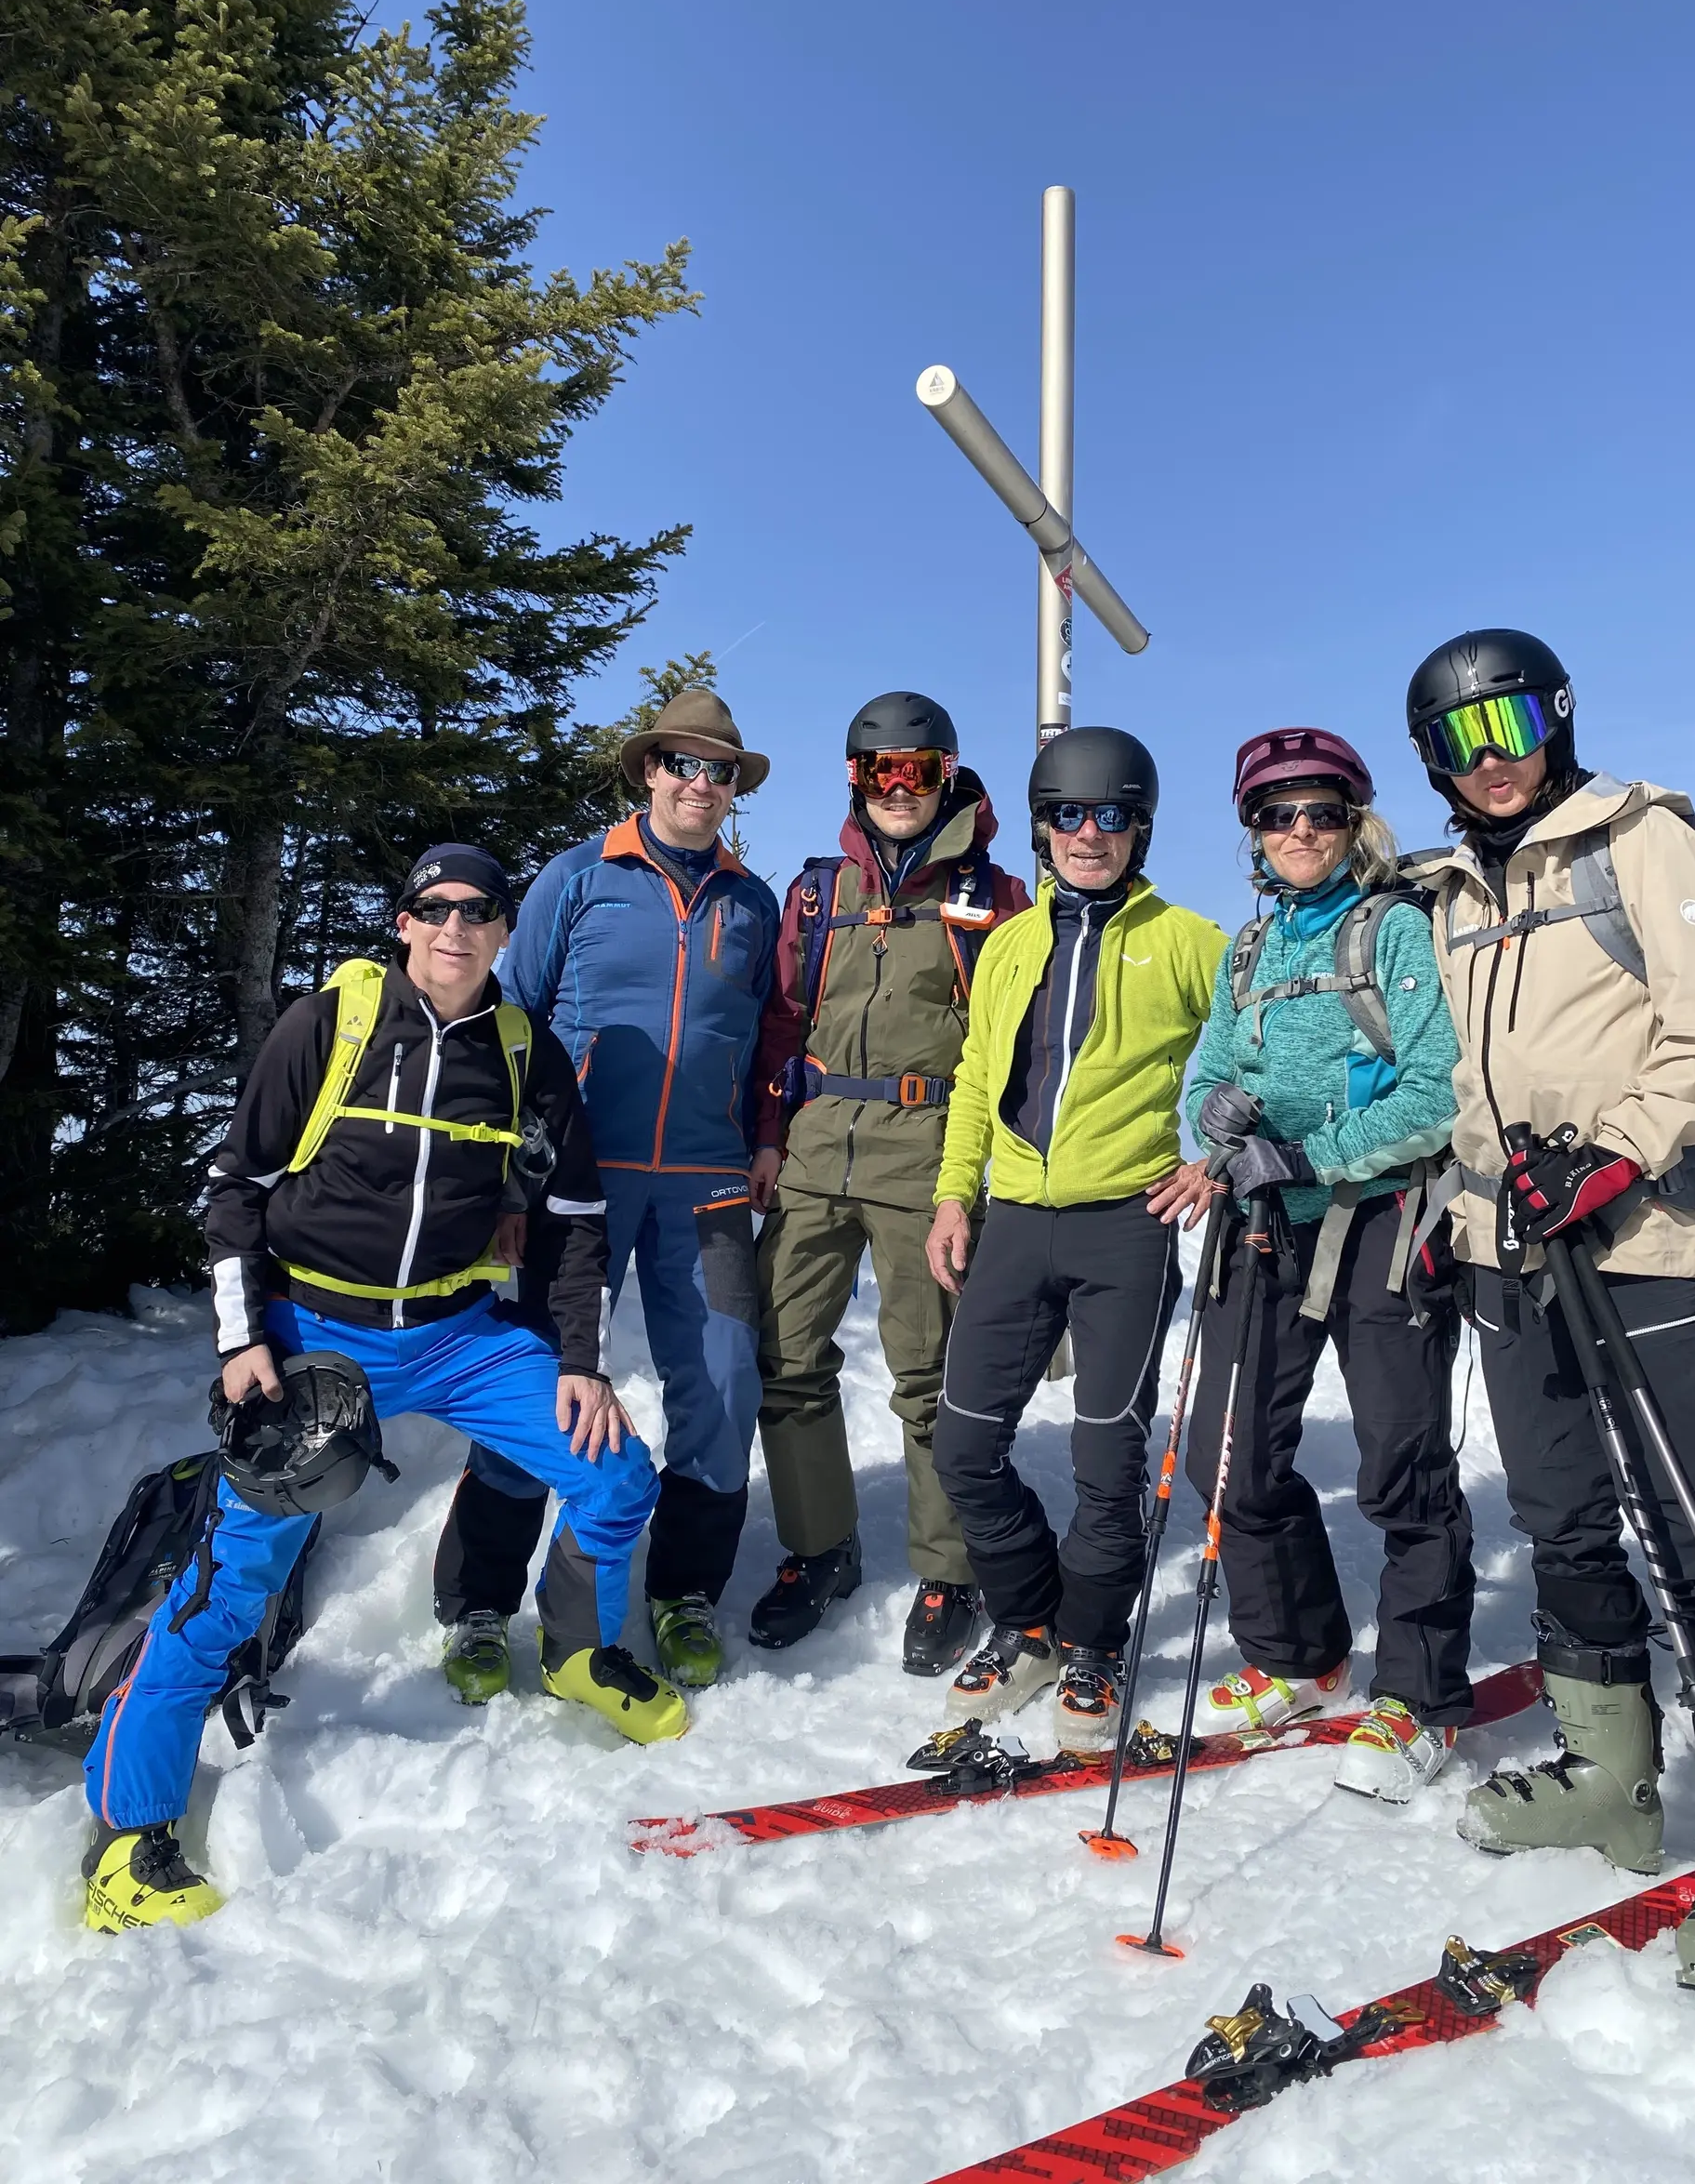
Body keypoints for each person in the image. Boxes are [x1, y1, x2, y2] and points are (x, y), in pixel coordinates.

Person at [82, 845, 676, 1934]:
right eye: (434, 909)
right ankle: (128, 1833)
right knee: (230, 1579)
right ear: (403, 923)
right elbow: (236, 1191)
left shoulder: (523, 1053)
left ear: (504, 932)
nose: (456, 928)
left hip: (456, 1333)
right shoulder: (332, 1024)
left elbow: (576, 1221)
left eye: (480, 912)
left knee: (614, 1472)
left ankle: (582, 1649)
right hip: (317, 1331)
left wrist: (582, 1362)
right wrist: (238, 1341)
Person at [1403, 627, 1695, 1997]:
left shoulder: (1641, 843)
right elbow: (1456, 1074)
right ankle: (1612, 1779)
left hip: (1642, 1236)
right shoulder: (1446, 888)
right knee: (1560, 1515)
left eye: (1508, 725)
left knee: (1691, 1526)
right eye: (1458, 740)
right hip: (1509, 1246)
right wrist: (1457, 1209)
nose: (1490, 760)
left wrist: (1616, 1150)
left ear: (1555, 717)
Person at [430, 691, 782, 1700]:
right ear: (650, 770)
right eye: (684, 763)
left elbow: (766, 1042)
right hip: (577, 1186)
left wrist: (764, 1136)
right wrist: (508, 1171)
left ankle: (685, 1591)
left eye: (720, 770)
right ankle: (482, 1604)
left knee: (721, 1382)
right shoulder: (577, 879)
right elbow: (516, 1021)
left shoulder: (748, 904)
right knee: (540, 1388)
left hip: (708, 1185)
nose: (700, 784)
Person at [1180, 727, 1474, 1803]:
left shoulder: (1390, 930)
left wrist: (1308, 1150)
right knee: (1236, 1455)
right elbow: (1210, 1069)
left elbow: (1436, 1090)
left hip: (1381, 1221)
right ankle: (1300, 1654)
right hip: (1265, 1225)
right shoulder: (1249, 948)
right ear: (1252, 829)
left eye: (1320, 810)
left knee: (1402, 1465)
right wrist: (1208, 1121)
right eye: (1275, 812)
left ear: (1354, 818)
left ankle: (1422, 1694)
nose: (1298, 829)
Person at [925, 728, 1227, 1750]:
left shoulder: (1187, 939)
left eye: (1110, 816)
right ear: (1044, 824)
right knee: (964, 1443)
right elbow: (976, 1079)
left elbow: (1252, 1057)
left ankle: (1094, 1639)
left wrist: (1214, 1157)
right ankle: (1032, 1620)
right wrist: (953, 1195)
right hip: (1012, 1219)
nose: (1086, 835)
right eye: (1066, 814)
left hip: (1124, 1231)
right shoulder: (1011, 942)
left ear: (1141, 826)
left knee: (1107, 1456)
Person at [748, 693, 1029, 1671]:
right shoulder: (818, 895)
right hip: (818, 1145)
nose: (898, 788)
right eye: (880, 770)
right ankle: (818, 1550)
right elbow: (781, 1024)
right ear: (855, 779)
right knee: (784, 1357)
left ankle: (949, 1571)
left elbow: (1018, 1044)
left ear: (947, 773)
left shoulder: (994, 899)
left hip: (930, 1149)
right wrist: (769, 1137)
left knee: (930, 1375)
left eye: (917, 769)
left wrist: (993, 1171)